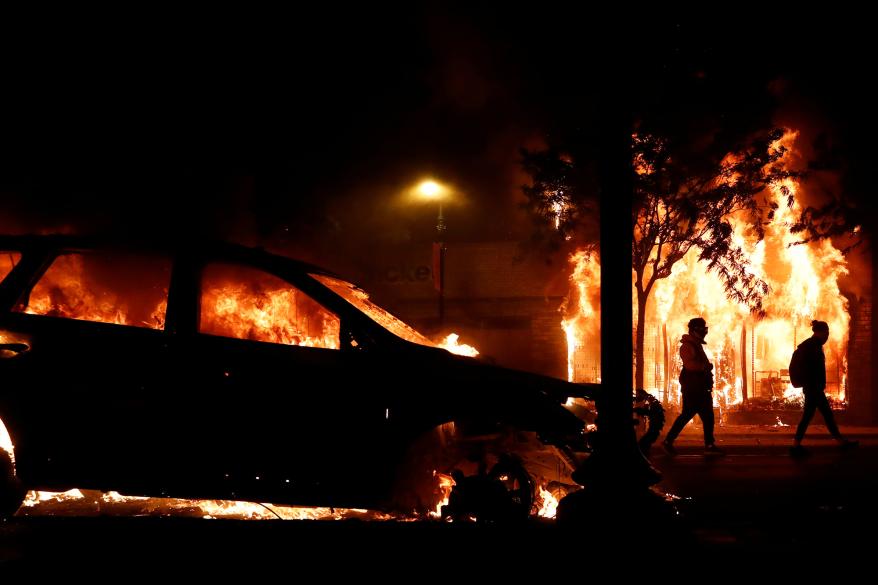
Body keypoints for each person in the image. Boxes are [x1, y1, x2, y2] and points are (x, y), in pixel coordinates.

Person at [790, 320, 858, 456]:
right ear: (820, 332)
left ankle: (840, 442)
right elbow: (811, 369)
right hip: (813, 388)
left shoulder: (813, 345)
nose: (827, 337)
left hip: (814, 388)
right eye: (826, 333)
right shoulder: (812, 347)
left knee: (822, 415)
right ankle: (796, 446)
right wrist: (812, 383)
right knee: (816, 416)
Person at [662, 317, 723, 455]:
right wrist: (704, 367)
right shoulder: (687, 346)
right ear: (693, 330)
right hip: (694, 389)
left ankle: (708, 445)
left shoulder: (696, 345)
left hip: (699, 388)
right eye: (701, 329)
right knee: (695, 416)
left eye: (704, 329)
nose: (703, 332)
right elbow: (690, 365)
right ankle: (669, 442)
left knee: (705, 416)